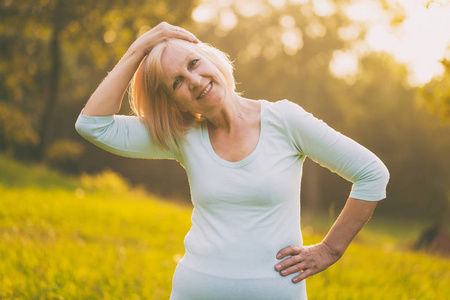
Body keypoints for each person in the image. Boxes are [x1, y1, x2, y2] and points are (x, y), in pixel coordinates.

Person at [75, 22, 389, 300]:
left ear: (211, 57)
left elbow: (371, 174)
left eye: (194, 63)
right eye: (177, 83)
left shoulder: (285, 120)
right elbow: (93, 125)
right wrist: (138, 49)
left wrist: (330, 249)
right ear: (173, 101)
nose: (194, 80)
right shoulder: (183, 136)